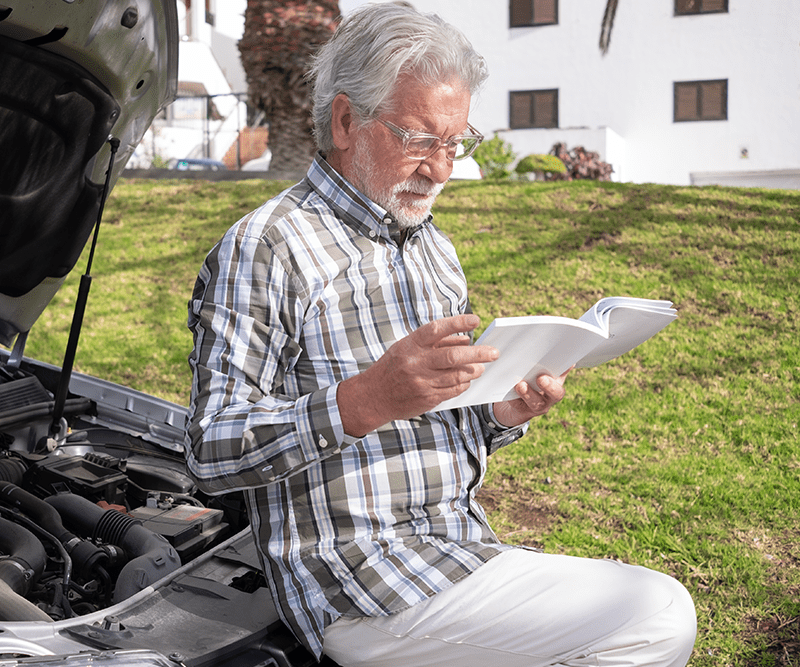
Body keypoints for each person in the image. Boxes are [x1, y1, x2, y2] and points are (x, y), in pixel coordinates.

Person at [185, 3, 697, 666]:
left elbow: (438, 422)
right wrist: (363, 399)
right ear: (345, 121)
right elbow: (208, 448)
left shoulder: (434, 251)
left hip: (457, 551)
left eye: (456, 142)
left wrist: (498, 413)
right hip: (361, 586)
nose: (442, 168)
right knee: (656, 613)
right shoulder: (266, 247)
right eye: (420, 139)